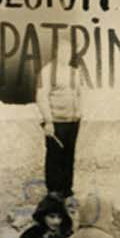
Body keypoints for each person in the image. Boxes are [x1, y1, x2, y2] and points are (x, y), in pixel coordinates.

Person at [35, 49, 82, 198]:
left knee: (69, 157)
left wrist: (79, 112)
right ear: (57, 53)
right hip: (56, 122)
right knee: (54, 157)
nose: (66, 56)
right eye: (63, 52)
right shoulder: (47, 71)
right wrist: (48, 121)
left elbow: (79, 94)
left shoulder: (74, 72)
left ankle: (67, 191)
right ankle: (54, 192)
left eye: (68, 53)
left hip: (73, 122)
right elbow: (41, 96)